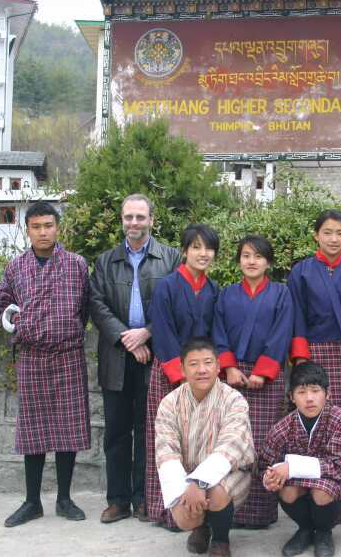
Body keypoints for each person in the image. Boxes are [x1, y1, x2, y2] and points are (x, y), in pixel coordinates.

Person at [0, 202, 91, 527]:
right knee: (32, 429)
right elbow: (2, 303)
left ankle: (64, 499)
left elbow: (86, 307)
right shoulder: (15, 267)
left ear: (57, 227)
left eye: (48, 225)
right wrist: (17, 322)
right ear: (28, 230)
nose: (43, 232)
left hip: (68, 355)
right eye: (36, 226)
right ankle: (32, 501)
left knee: (68, 428)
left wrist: (68, 330)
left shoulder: (77, 265)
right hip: (32, 357)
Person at [89, 193, 180, 523]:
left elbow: (176, 304)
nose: (134, 223)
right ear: (122, 220)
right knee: (115, 431)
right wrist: (129, 338)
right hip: (116, 356)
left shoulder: (170, 258)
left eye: (140, 217)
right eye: (128, 217)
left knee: (148, 430)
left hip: (154, 358)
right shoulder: (105, 261)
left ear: (152, 220)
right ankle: (117, 500)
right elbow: (96, 305)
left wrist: (147, 332)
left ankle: (144, 498)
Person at [286, 209, 341, 515]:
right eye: (327, 232)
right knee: (316, 423)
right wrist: (300, 360)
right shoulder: (300, 272)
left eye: (339, 233)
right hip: (314, 353)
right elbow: (295, 317)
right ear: (316, 235)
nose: (333, 239)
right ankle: (314, 492)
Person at [212, 235, 294, 529]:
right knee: (231, 441)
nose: (251, 261)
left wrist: (263, 371)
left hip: (266, 379)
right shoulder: (226, 295)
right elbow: (218, 333)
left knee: (262, 444)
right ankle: (229, 507)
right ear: (238, 261)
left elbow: (282, 333)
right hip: (232, 377)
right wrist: (229, 368)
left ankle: (260, 512)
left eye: (258, 256)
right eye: (246, 255)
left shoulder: (281, 295)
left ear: (268, 262)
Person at [145, 223, 220, 530]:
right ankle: (165, 510)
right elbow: (161, 332)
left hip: (202, 377)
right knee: (167, 443)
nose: (203, 254)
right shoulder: (167, 286)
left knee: (199, 441)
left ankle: (195, 510)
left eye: (208, 248)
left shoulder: (214, 290)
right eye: (196, 247)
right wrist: (180, 374)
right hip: (170, 374)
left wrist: (206, 371)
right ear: (184, 250)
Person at [155, 337, 255, 557]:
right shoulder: (169, 403)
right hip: (187, 474)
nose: (202, 370)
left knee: (216, 491)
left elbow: (232, 446)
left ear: (218, 366)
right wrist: (188, 484)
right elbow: (166, 452)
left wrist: (199, 481)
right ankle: (200, 527)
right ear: (182, 369)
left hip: (230, 473)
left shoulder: (234, 399)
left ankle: (221, 539)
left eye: (208, 362)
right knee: (183, 517)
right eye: (193, 364)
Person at [261, 362, 341, 557]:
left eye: (315, 391)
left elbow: (338, 467)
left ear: (327, 393)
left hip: (337, 488)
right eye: (301, 392)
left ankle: (324, 533)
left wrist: (290, 467)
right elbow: (264, 463)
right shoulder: (282, 427)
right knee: (287, 490)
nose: (309, 399)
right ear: (292, 397)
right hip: (299, 487)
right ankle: (305, 529)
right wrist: (271, 476)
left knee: (321, 490)